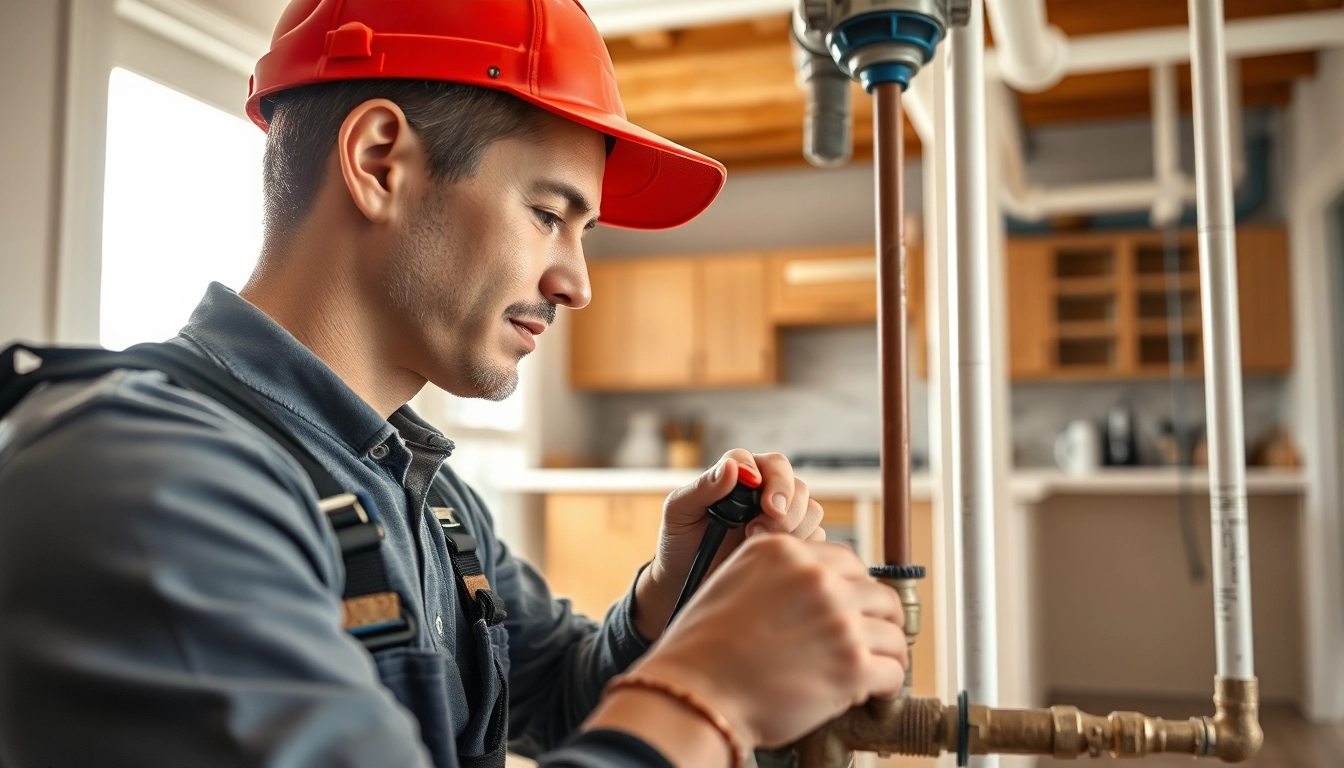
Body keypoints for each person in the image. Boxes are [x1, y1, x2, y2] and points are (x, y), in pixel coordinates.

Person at [0, 1, 908, 766]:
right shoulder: (147, 482)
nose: (577, 282)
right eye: (549, 214)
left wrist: (678, 596)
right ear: (379, 160)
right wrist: (706, 695)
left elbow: (561, 696)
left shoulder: (415, 490)